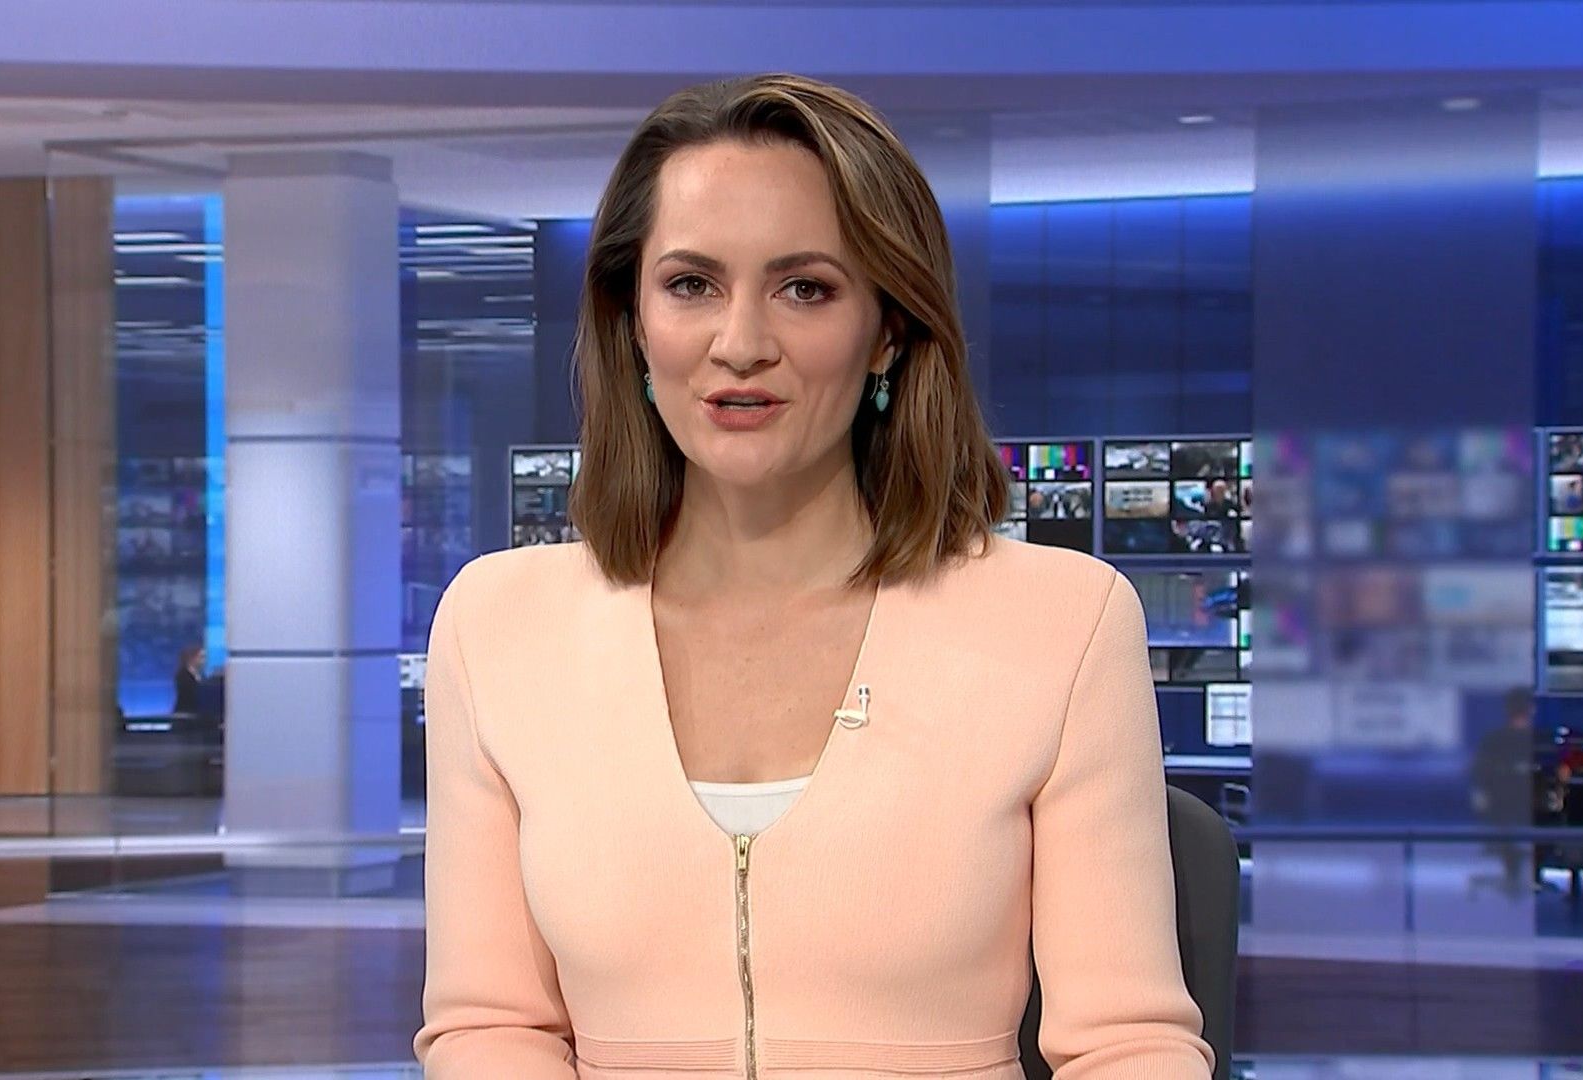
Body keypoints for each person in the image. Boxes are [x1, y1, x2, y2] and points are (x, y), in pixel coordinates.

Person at [414, 74, 1212, 1078]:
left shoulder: (1063, 622)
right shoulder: (496, 626)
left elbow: (1127, 1046)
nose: (741, 344)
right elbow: (491, 1029)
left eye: (805, 289)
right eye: (691, 285)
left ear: (888, 330)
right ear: (633, 322)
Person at [1472, 687, 1539, 897]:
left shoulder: (1495, 739)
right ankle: (1517, 873)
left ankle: (1517, 873)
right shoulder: (1499, 739)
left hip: (1511, 803)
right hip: (1511, 803)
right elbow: (1481, 771)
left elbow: (1480, 772)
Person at [172, 644, 206, 715]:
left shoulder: (200, 675)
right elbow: (188, 695)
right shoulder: (182, 676)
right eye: (201, 657)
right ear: (192, 658)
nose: (204, 661)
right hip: (185, 714)